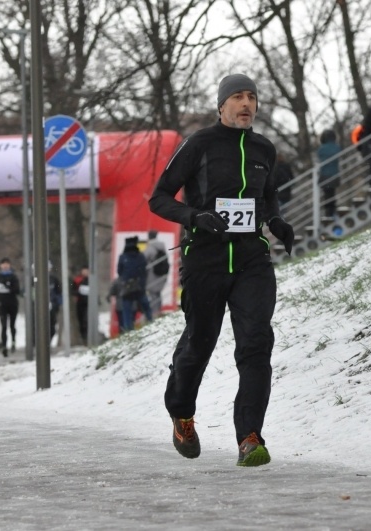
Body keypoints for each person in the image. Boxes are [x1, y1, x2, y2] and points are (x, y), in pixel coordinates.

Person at [148, 73, 294, 467]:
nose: (246, 103)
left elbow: (269, 197)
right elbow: (159, 198)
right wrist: (194, 217)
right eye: (237, 97)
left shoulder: (264, 148)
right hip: (205, 259)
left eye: (252, 96)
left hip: (252, 260)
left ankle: (250, 437)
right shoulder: (200, 144)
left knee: (256, 344)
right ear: (221, 105)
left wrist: (277, 222)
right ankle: (181, 412)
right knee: (200, 343)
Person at [117, 236, 153, 332]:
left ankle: (128, 327)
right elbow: (144, 271)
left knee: (126, 309)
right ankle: (150, 321)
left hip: (127, 287)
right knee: (146, 306)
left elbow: (119, 271)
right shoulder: (140, 256)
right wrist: (142, 284)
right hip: (139, 286)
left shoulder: (122, 257)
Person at [0, 257, 20, 356]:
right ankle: (4, 345)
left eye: (7, 264)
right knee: (4, 325)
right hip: (2, 303)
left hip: (12, 303)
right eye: (3, 264)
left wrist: (7, 286)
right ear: (0, 265)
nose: (5, 266)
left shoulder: (13, 277)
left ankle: (13, 341)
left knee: (12, 324)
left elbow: (17, 290)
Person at [143, 230, 168, 318]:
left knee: (153, 293)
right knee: (158, 293)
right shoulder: (162, 246)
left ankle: (155, 313)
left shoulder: (150, 247)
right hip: (161, 274)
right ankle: (158, 310)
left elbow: (144, 258)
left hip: (152, 275)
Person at [317, 129, 341, 218]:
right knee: (332, 194)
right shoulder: (337, 147)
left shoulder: (321, 149)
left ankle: (328, 212)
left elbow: (320, 159)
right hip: (334, 174)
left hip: (324, 175)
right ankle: (332, 212)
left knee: (327, 195)